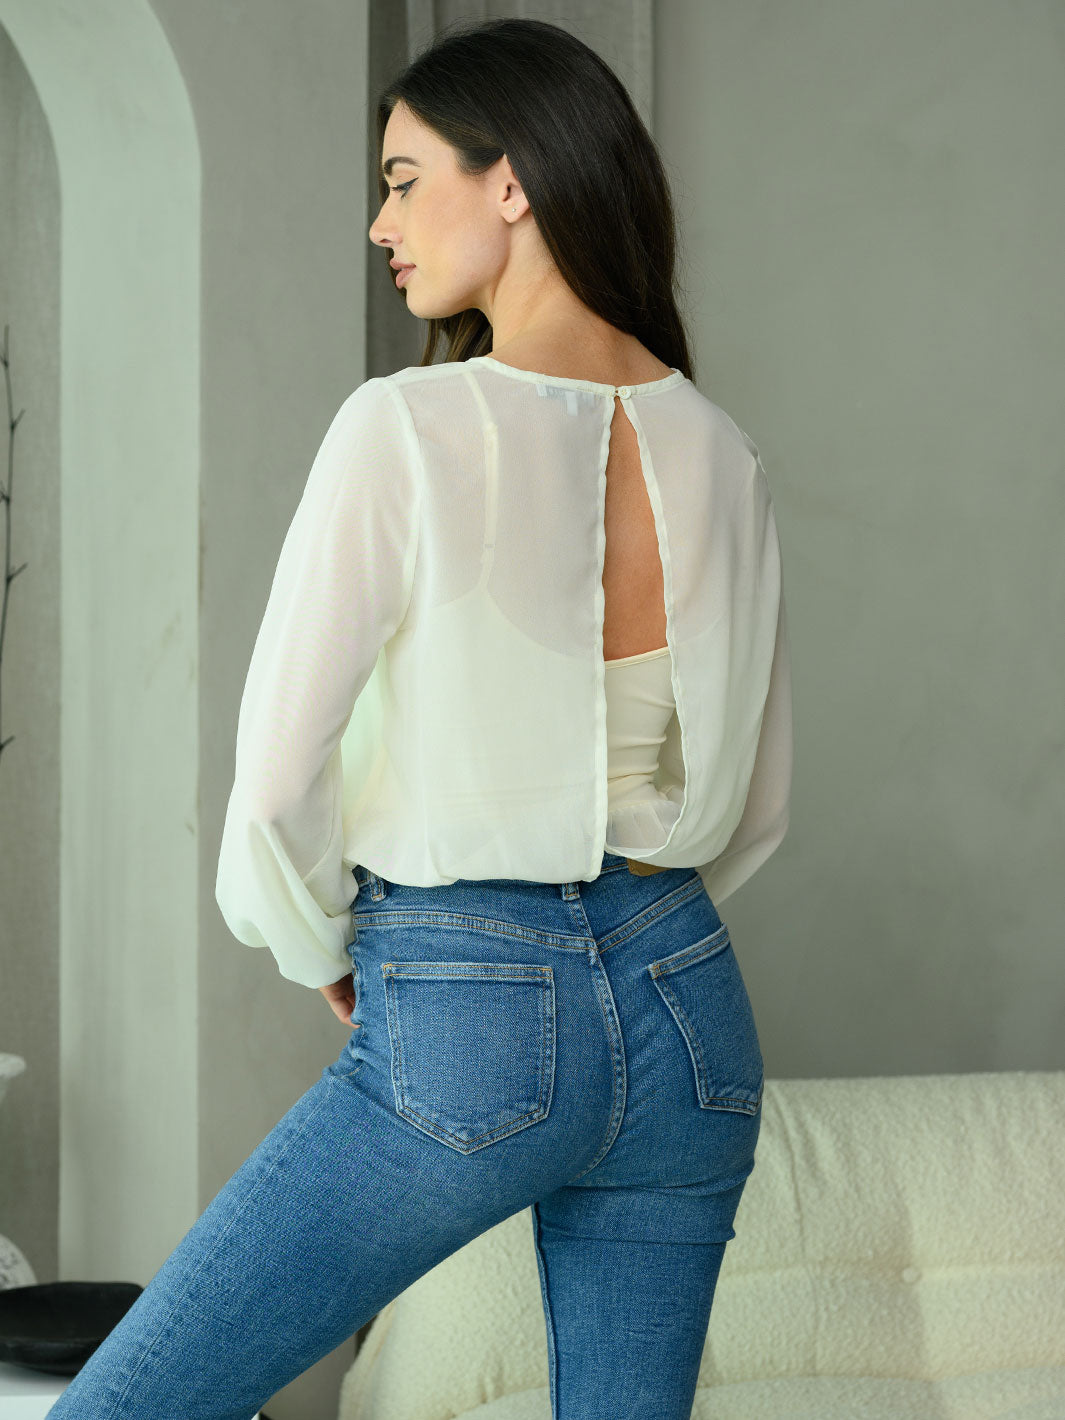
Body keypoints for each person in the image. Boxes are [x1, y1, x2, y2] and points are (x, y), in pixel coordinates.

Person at [47, 16, 791, 1420]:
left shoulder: (406, 426)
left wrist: (325, 943)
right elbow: (753, 806)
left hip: (466, 1004)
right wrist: (619, 928)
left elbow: (278, 783)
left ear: (512, 180)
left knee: (125, 1406)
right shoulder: (722, 450)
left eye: (402, 179)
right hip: (690, 1008)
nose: (379, 223)